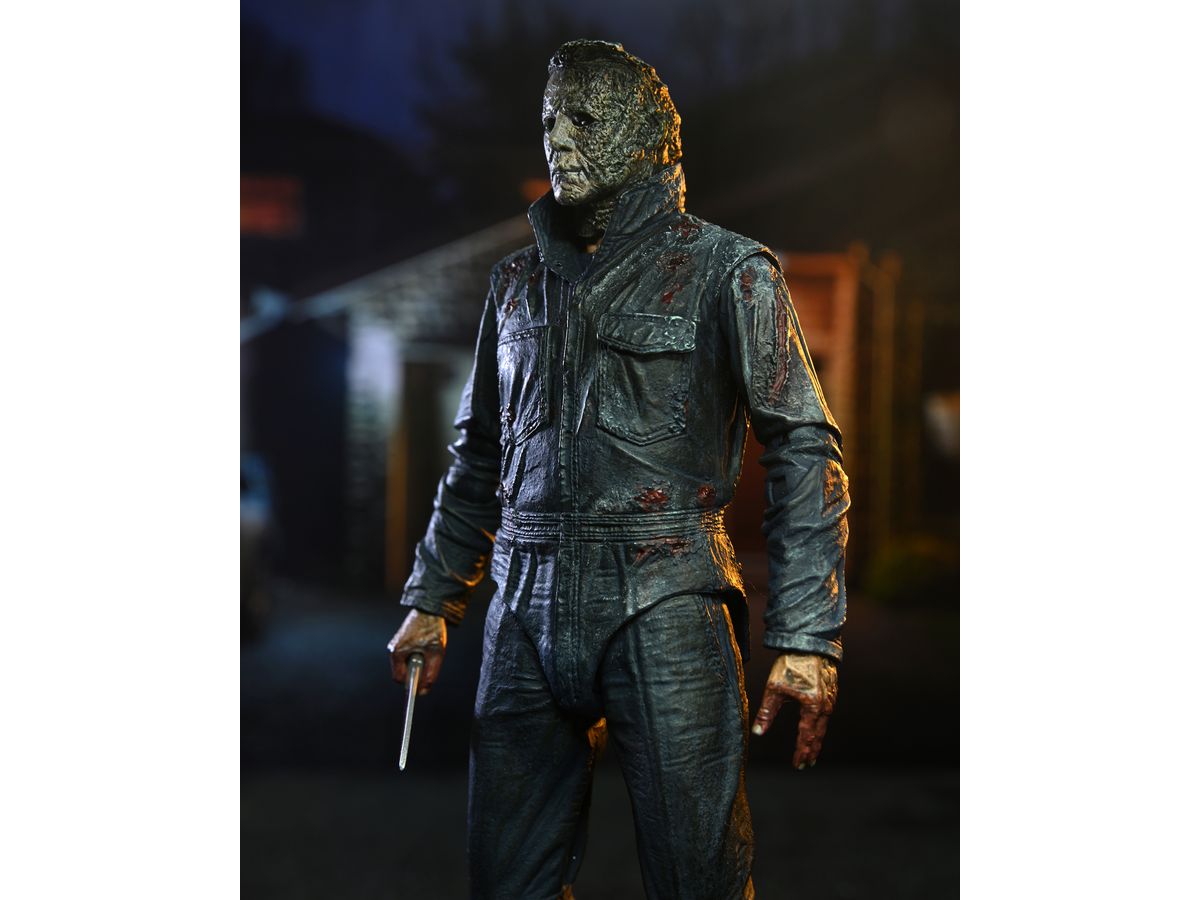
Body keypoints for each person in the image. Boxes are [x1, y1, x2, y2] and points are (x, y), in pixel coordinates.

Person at [388, 39, 849, 900]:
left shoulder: (728, 270)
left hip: (666, 598)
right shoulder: (515, 284)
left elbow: (804, 444)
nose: (558, 137)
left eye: (584, 119)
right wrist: (431, 597)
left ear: (646, 138)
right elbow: (480, 450)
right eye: (549, 120)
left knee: (696, 881)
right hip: (523, 605)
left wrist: (805, 633)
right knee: (506, 883)